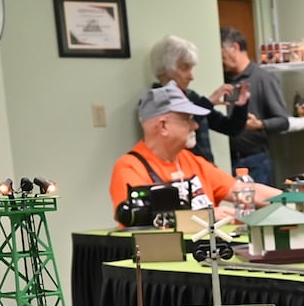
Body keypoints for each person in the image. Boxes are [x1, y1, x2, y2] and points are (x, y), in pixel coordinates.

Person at [107, 82, 280, 225]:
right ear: (163, 126)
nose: (195, 126)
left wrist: (296, 197)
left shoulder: (192, 161)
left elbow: (244, 191)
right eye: (186, 119)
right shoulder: (130, 167)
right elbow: (140, 222)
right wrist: (207, 217)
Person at [148, 35, 247, 165]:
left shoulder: (191, 97)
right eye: (184, 68)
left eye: (191, 68)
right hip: (181, 175)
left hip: (206, 172)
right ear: (166, 70)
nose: (191, 76)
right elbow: (181, 127)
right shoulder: (153, 100)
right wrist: (209, 103)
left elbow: (231, 128)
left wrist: (241, 106)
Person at [219, 27, 291, 187]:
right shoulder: (222, 80)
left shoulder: (263, 79)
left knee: (261, 210)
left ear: (235, 47)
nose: (220, 60)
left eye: (221, 54)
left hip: (255, 161)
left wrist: (259, 125)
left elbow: (283, 121)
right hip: (226, 162)